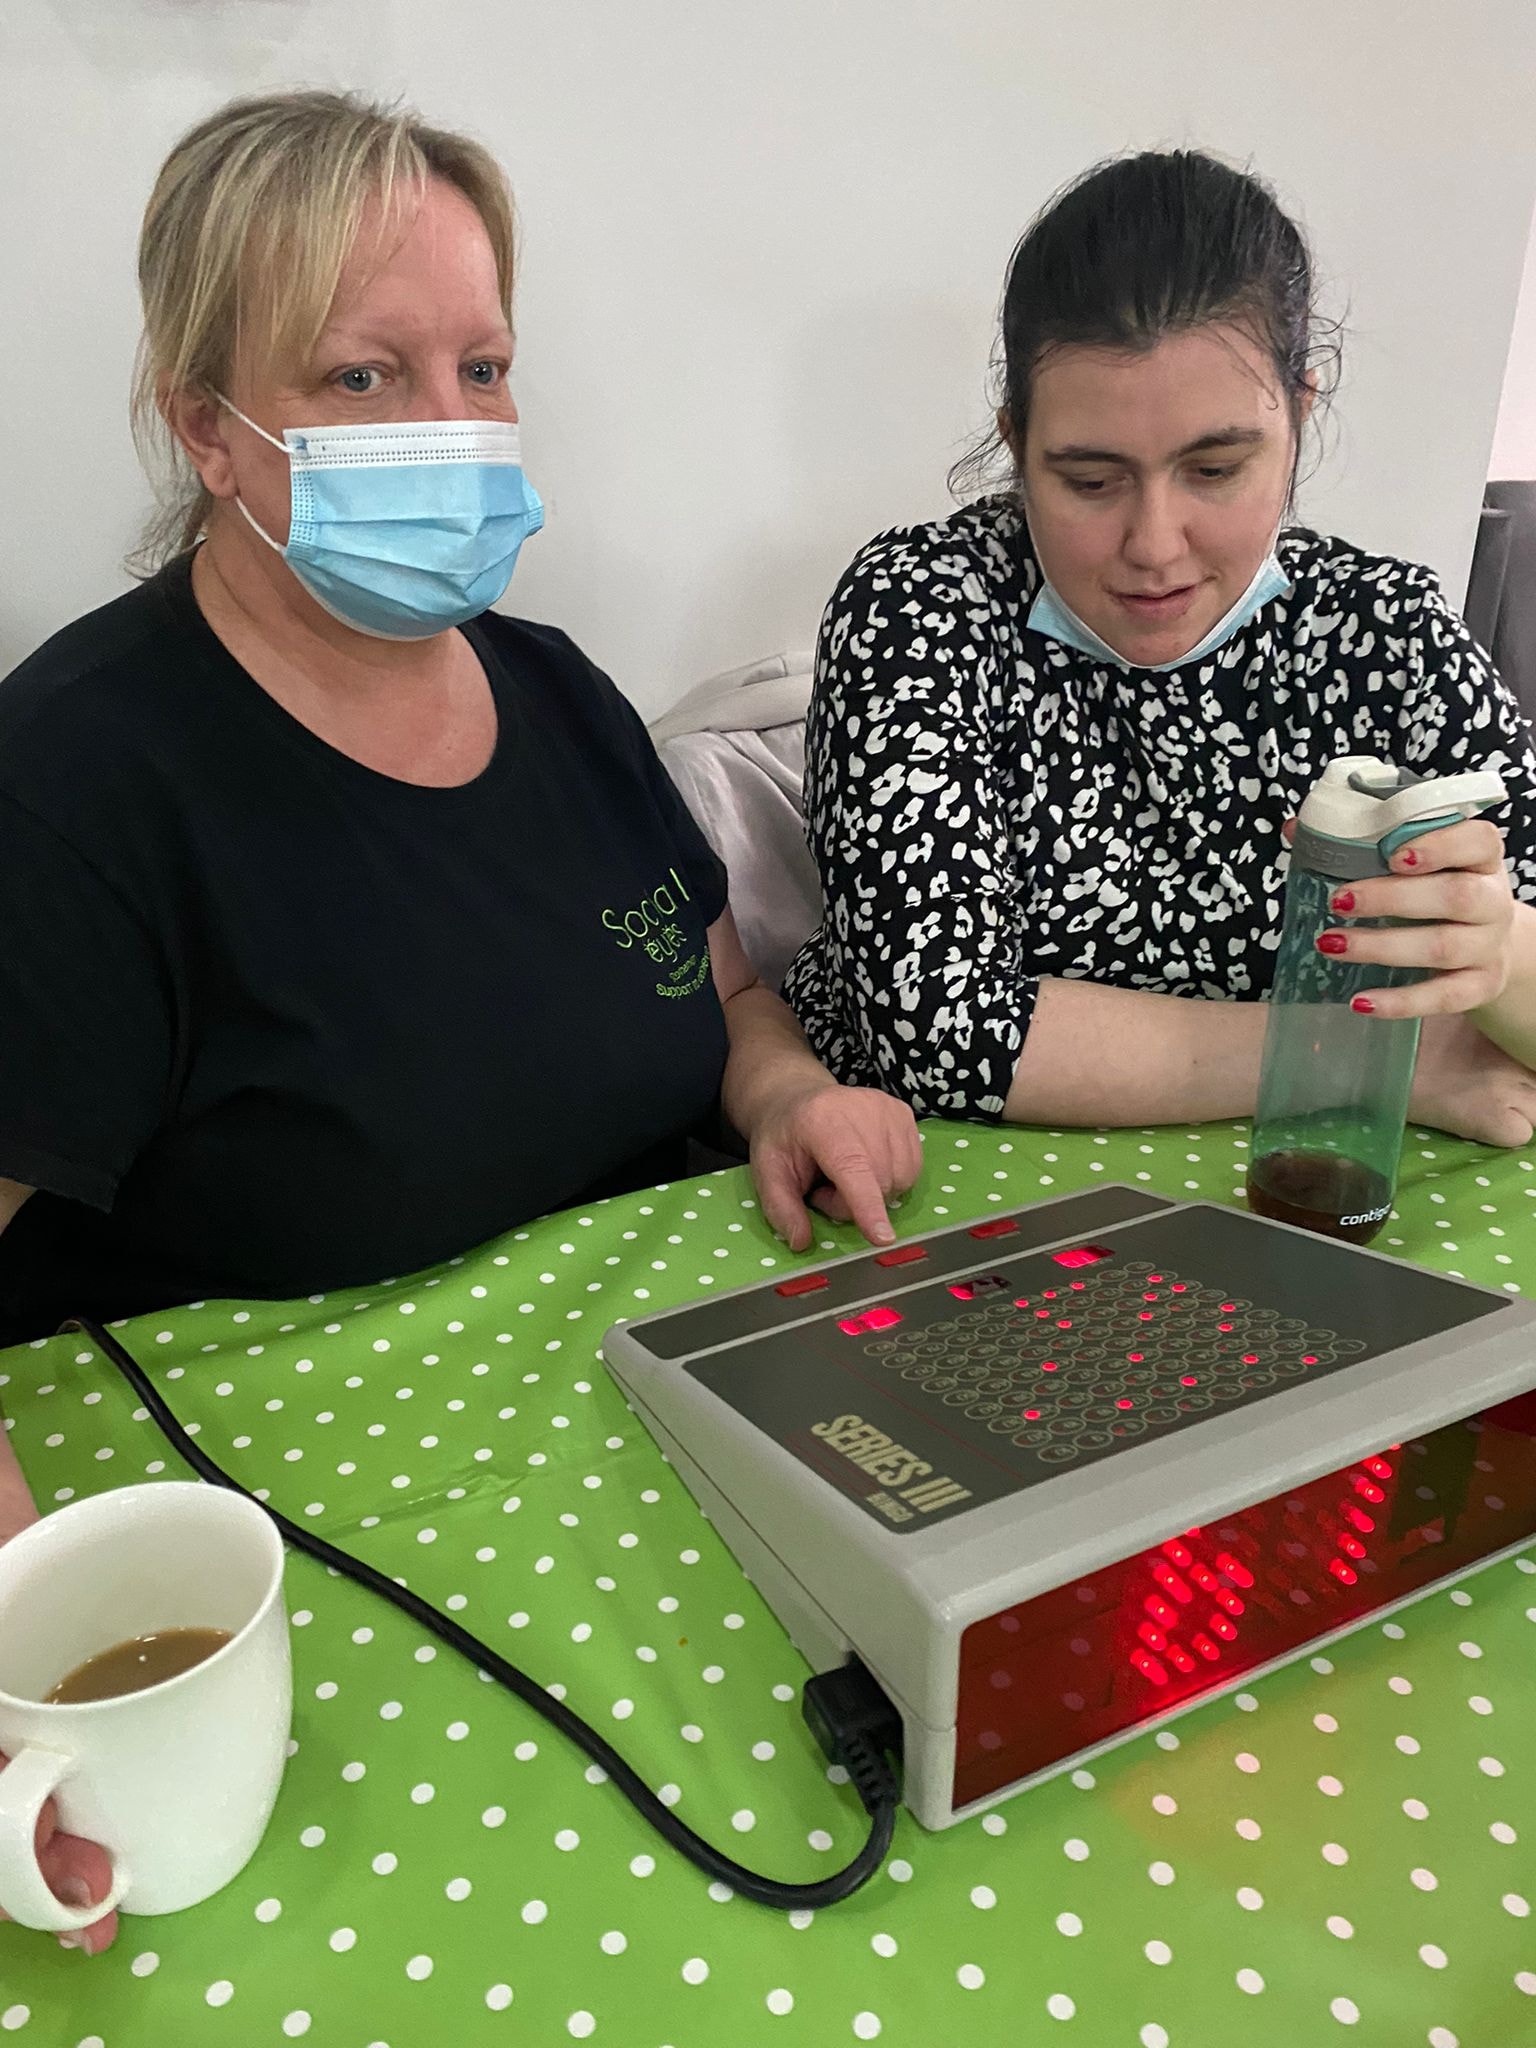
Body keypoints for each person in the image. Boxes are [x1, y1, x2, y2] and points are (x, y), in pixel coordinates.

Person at [0, 90, 920, 1952]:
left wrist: (786, 1093)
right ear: (208, 426)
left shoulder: (560, 695)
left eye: (481, 366)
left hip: (682, 1504)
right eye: (363, 375)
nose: (450, 422)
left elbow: (723, 992)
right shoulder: (79, 786)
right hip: (306, 1581)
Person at [786, 151, 1536, 1147]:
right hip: (944, 1182)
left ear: (1300, 415)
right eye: (1091, 482)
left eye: (1215, 470)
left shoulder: (1386, 632)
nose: (1153, 545)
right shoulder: (922, 608)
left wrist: (1503, 952)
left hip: (1304, 1180)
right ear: (1016, 445)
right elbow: (938, 1033)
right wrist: (1360, 1059)